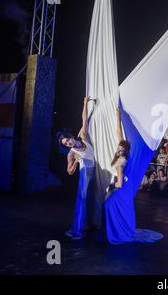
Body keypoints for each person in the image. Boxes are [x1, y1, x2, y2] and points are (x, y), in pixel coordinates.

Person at [103, 108, 163, 244]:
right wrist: (118, 117)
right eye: (119, 148)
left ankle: (117, 232)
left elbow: (119, 184)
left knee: (109, 204)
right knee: (124, 207)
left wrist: (111, 186)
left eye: (120, 149)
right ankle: (123, 229)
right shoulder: (128, 156)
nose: (118, 149)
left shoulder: (120, 161)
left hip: (123, 187)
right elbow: (119, 134)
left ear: (123, 150)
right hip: (128, 188)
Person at [60, 96, 95, 240]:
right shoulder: (72, 154)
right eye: (66, 144)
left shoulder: (83, 137)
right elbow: (69, 171)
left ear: (71, 137)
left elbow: (84, 119)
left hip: (93, 171)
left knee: (91, 199)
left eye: (67, 140)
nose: (68, 143)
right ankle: (77, 229)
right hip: (84, 174)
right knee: (82, 200)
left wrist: (85, 103)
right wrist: (76, 162)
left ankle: (86, 224)